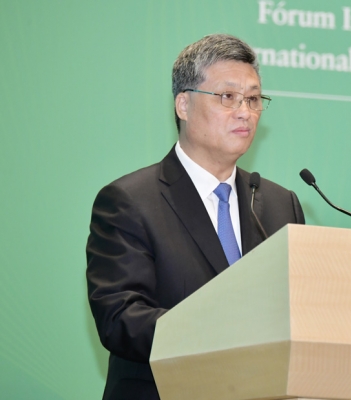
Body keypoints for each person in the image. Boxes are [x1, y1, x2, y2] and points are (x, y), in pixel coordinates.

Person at [86, 34, 305, 400]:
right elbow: (120, 318)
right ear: (183, 105)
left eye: (253, 99)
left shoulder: (280, 204)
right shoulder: (130, 201)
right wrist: (224, 332)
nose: (245, 112)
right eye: (228, 96)